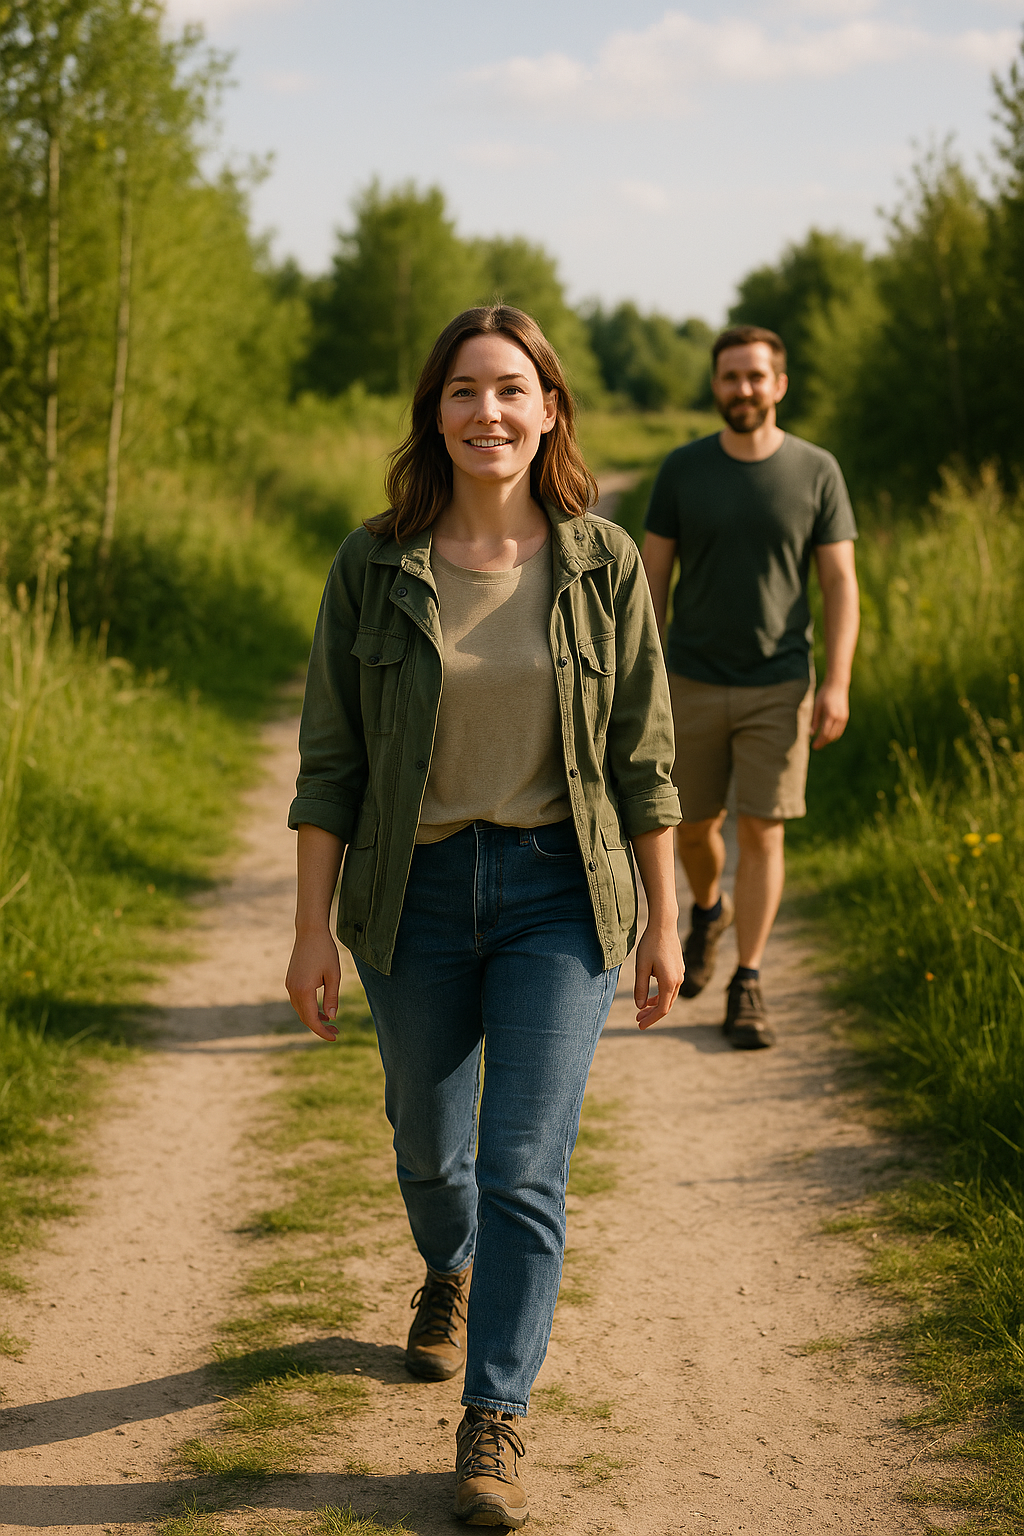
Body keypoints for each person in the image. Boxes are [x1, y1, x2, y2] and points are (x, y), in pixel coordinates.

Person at [285, 305, 683, 1528]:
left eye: (512, 389)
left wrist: (662, 921)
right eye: (464, 391)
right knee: (427, 1145)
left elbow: (643, 755)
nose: (488, 412)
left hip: (560, 892)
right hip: (413, 894)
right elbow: (331, 762)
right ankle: (445, 1266)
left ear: (550, 408)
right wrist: (310, 930)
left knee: (523, 1164)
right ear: (435, 412)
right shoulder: (374, 563)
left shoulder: (602, 562)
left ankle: (494, 1420)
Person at [641, 324, 859, 1051]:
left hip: (779, 682)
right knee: (694, 830)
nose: (743, 389)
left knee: (763, 828)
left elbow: (838, 582)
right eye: (731, 377)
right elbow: (654, 581)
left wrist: (836, 682)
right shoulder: (682, 471)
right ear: (716, 385)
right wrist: (645, 677)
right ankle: (709, 910)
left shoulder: (817, 471)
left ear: (779, 384)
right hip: (691, 679)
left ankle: (749, 980)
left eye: (756, 377)